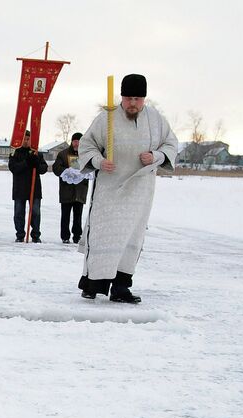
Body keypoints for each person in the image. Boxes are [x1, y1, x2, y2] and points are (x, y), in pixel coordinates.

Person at [76, 74, 177, 303]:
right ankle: (93, 284)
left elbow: (171, 144)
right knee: (103, 237)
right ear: (122, 97)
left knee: (132, 237)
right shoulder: (106, 118)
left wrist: (156, 156)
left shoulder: (156, 119)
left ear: (144, 98)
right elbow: (87, 145)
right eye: (129, 98)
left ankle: (121, 287)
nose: (133, 103)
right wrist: (99, 162)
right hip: (110, 190)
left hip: (139, 191)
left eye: (138, 99)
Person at [8, 130, 48, 242]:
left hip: (34, 188)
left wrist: (36, 162)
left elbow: (43, 169)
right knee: (19, 212)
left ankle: (35, 235)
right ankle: (20, 235)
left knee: (35, 212)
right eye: (24, 139)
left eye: (28, 139)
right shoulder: (15, 153)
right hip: (20, 188)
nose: (26, 141)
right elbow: (13, 168)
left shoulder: (37, 153)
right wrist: (27, 162)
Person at [52, 132, 91, 244]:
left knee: (78, 215)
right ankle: (65, 236)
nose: (77, 143)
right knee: (65, 215)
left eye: (79, 141)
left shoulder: (86, 154)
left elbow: (91, 167)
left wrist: (87, 173)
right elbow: (56, 168)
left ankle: (77, 236)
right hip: (66, 190)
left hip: (80, 190)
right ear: (72, 141)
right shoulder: (63, 154)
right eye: (75, 141)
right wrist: (66, 171)